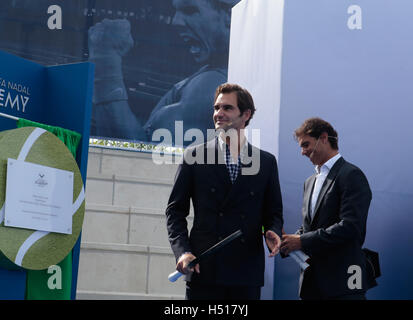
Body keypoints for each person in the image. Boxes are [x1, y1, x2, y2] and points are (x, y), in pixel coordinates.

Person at [165, 83, 283, 300]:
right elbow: (175, 212)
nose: (219, 113)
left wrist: (273, 230)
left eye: (227, 108)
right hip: (204, 269)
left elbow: (273, 212)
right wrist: (183, 252)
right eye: (216, 108)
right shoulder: (194, 156)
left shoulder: (266, 162)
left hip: (245, 273)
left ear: (245, 114)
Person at [88, 0, 239, 143]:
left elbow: (140, 162)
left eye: (190, 10)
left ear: (228, 16)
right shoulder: (221, 75)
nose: (176, 21)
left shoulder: (211, 85)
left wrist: (106, 59)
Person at [281, 117, 372, 300]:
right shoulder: (309, 182)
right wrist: (287, 242)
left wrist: (302, 241)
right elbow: (310, 228)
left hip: (343, 285)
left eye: (306, 144)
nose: (302, 152)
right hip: (312, 285)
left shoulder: (351, 175)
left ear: (324, 138)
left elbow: (350, 227)